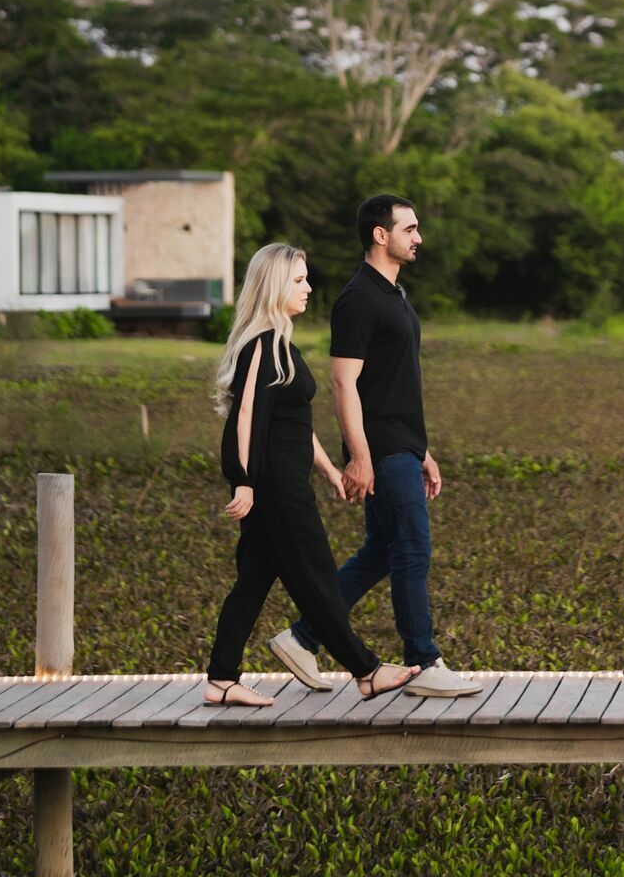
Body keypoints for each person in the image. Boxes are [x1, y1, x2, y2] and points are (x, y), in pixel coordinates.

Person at [271, 195, 482, 698]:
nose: (419, 237)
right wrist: (360, 455)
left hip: (401, 446)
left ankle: (302, 638)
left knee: (382, 551)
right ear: (380, 235)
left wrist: (422, 449)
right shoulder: (358, 298)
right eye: (409, 229)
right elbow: (345, 383)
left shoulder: (395, 294)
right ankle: (423, 661)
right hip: (381, 450)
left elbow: (396, 382)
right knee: (413, 549)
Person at [203, 242, 420, 707]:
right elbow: (245, 418)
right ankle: (367, 671)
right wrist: (242, 478)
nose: (308, 287)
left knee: (254, 581)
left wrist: (328, 470)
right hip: (276, 488)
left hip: (285, 482)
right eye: (299, 280)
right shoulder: (262, 343)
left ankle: (221, 678)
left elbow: (295, 424)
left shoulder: (282, 343)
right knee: (317, 576)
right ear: (275, 285)